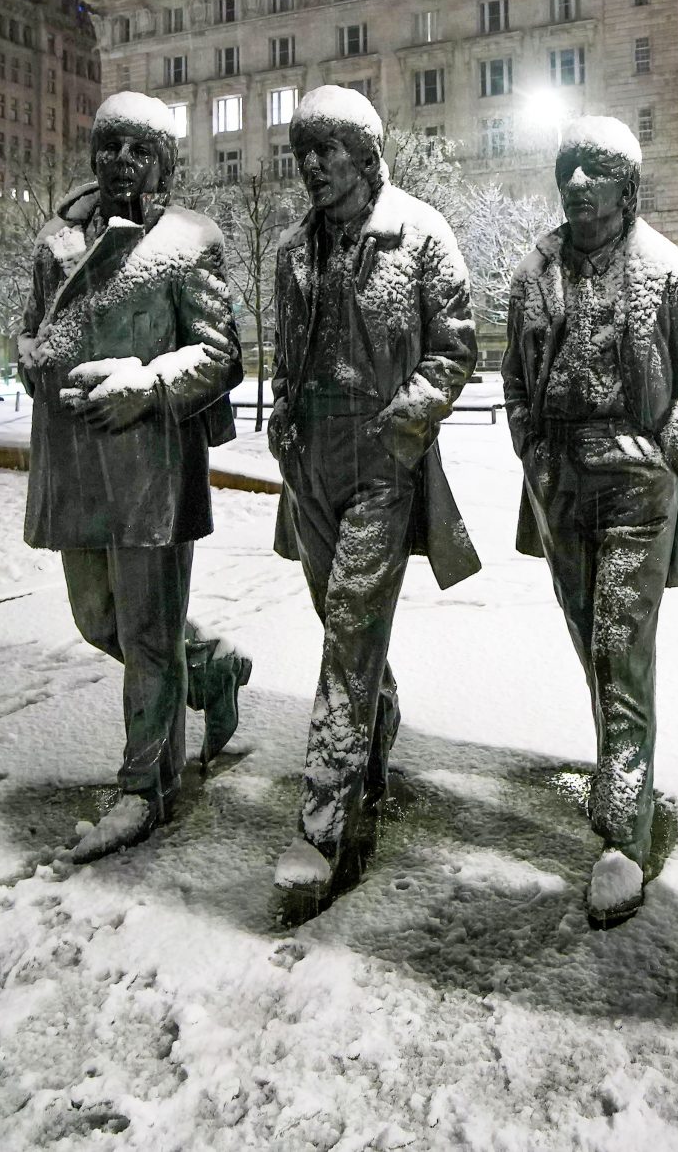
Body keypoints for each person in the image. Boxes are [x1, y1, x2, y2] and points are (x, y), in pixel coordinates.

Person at [18, 92, 256, 864]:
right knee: (98, 620)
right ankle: (213, 671)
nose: (121, 160)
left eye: (138, 149)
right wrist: (32, 361)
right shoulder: (55, 239)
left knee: (150, 637)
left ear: (164, 163)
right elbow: (35, 329)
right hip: (73, 460)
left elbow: (221, 355)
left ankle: (143, 789)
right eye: (109, 145)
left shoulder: (190, 242)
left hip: (151, 462)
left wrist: (147, 384)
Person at [502, 116, 678, 926]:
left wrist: (667, 445)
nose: (579, 182)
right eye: (569, 169)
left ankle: (624, 829)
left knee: (619, 646)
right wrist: (531, 445)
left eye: (595, 169)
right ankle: (622, 768)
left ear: (627, 186)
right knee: (593, 640)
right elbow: (514, 378)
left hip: (637, 484)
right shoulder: (534, 270)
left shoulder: (666, 272)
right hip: (560, 480)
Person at [267, 87, 480, 904]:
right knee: (342, 626)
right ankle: (375, 721)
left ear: (364, 154)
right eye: (303, 152)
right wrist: (284, 406)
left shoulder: (420, 234)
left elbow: (455, 345)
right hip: (310, 462)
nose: (313, 166)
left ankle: (322, 824)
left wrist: (411, 414)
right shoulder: (290, 249)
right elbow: (285, 350)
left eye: (327, 149)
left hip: (382, 462)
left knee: (350, 627)